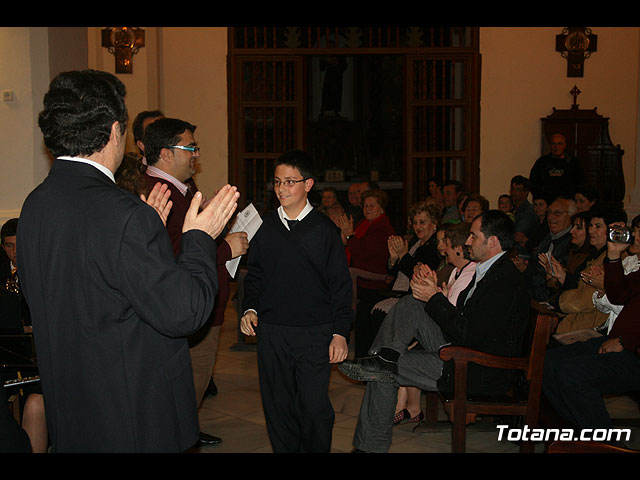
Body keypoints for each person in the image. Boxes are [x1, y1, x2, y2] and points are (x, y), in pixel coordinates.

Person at [17, 69, 239, 453]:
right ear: (116, 131)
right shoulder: (123, 214)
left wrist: (143, 236)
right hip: (132, 418)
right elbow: (185, 312)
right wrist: (200, 238)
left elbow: (91, 287)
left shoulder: (36, 204)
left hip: (72, 412)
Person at [339, 210, 530, 452]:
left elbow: (470, 334)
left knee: (384, 371)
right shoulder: (489, 270)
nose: (468, 242)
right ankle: (382, 358)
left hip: (475, 367)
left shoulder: (504, 281)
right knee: (411, 304)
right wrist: (433, 296)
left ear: (492, 242)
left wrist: (434, 298)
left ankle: (370, 447)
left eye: (473, 236)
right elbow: (466, 321)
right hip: (462, 348)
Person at [143, 117, 249, 447]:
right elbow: (172, 251)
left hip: (197, 302)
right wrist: (225, 249)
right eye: (189, 148)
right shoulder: (161, 193)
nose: (195, 155)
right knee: (189, 382)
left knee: (192, 383)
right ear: (165, 153)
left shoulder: (177, 189)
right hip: (188, 305)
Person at [240, 149, 352, 453]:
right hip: (273, 331)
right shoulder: (264, 226)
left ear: (308, 184)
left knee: (314, 407)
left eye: (290, 182)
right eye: (277, 182)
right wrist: (250, 308)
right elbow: (256, 276)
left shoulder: (324, 230)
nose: (282, 189)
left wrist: (340, 332)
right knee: (278, 406)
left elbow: (340, 286)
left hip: (314, 331)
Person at [542, 222, 640, 435]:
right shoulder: (636, 266)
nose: (635, 236)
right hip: (620, 340)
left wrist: (625, 342)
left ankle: (605, 443)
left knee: (572, 374)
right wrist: (613, 256)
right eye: (636, 230)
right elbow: (619, 295)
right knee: (547, 363)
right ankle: (581, 431)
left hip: (633, 350)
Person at [393, 222, 476, 426]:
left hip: (455, 344)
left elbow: (455, 316)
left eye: (445, 243)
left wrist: (435, 295)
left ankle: (404, 404)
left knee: (403, 346)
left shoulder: (469, 274)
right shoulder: (454, 270)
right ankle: (409, 407)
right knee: (407, 319)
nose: (442, 248)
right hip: (446, 331)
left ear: (458, 248)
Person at [0, 219, 48, 452]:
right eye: (9, 246)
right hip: (9, 359)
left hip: (38, 363)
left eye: (19, 245)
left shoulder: (43, 270)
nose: (15, 253)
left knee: (35, 401)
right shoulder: (2, 275)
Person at [551, 203, 627, 334]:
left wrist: (558, 301)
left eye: (598, 226)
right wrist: (561, 276)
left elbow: (586, 299)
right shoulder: (596, 255)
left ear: (614, 230)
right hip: (579, 322)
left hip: (591, 327)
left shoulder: (615, 259)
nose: (591, 231)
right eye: (591, 226)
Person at [338, 189, 395, 358]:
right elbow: (351, 244)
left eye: (372, 205)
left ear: (381, 208)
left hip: (374, 282)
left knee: (342, 298)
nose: (368, 208)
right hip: (359, 278)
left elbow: (362, 253)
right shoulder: (366, 224)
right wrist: (346, 236)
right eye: (365, 205)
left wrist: (349, 236)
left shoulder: (382, 227)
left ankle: (360, 356)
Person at [520, 198, 575, 302]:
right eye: (549, 212)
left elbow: (551, 279)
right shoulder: (547, 238)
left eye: (557, 213)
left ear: (571, 216)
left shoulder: (571, 244)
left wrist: (526, 269)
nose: (550, 217)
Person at [530, 133, 584, 202]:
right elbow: (533, 182)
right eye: (553, 144)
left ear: (564, 145)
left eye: (559, 144)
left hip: (567, 202)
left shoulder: (573, 163)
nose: (556, 147)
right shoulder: (542, 162)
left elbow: (580, 183)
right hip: (546, 202)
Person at [509, 175, 538, 249]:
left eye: (518, 190)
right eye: (512, 189)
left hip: (523, 252)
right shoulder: (510, 208)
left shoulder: (529, 211)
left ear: (526, 192)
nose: (514, 192)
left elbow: (518, 235)